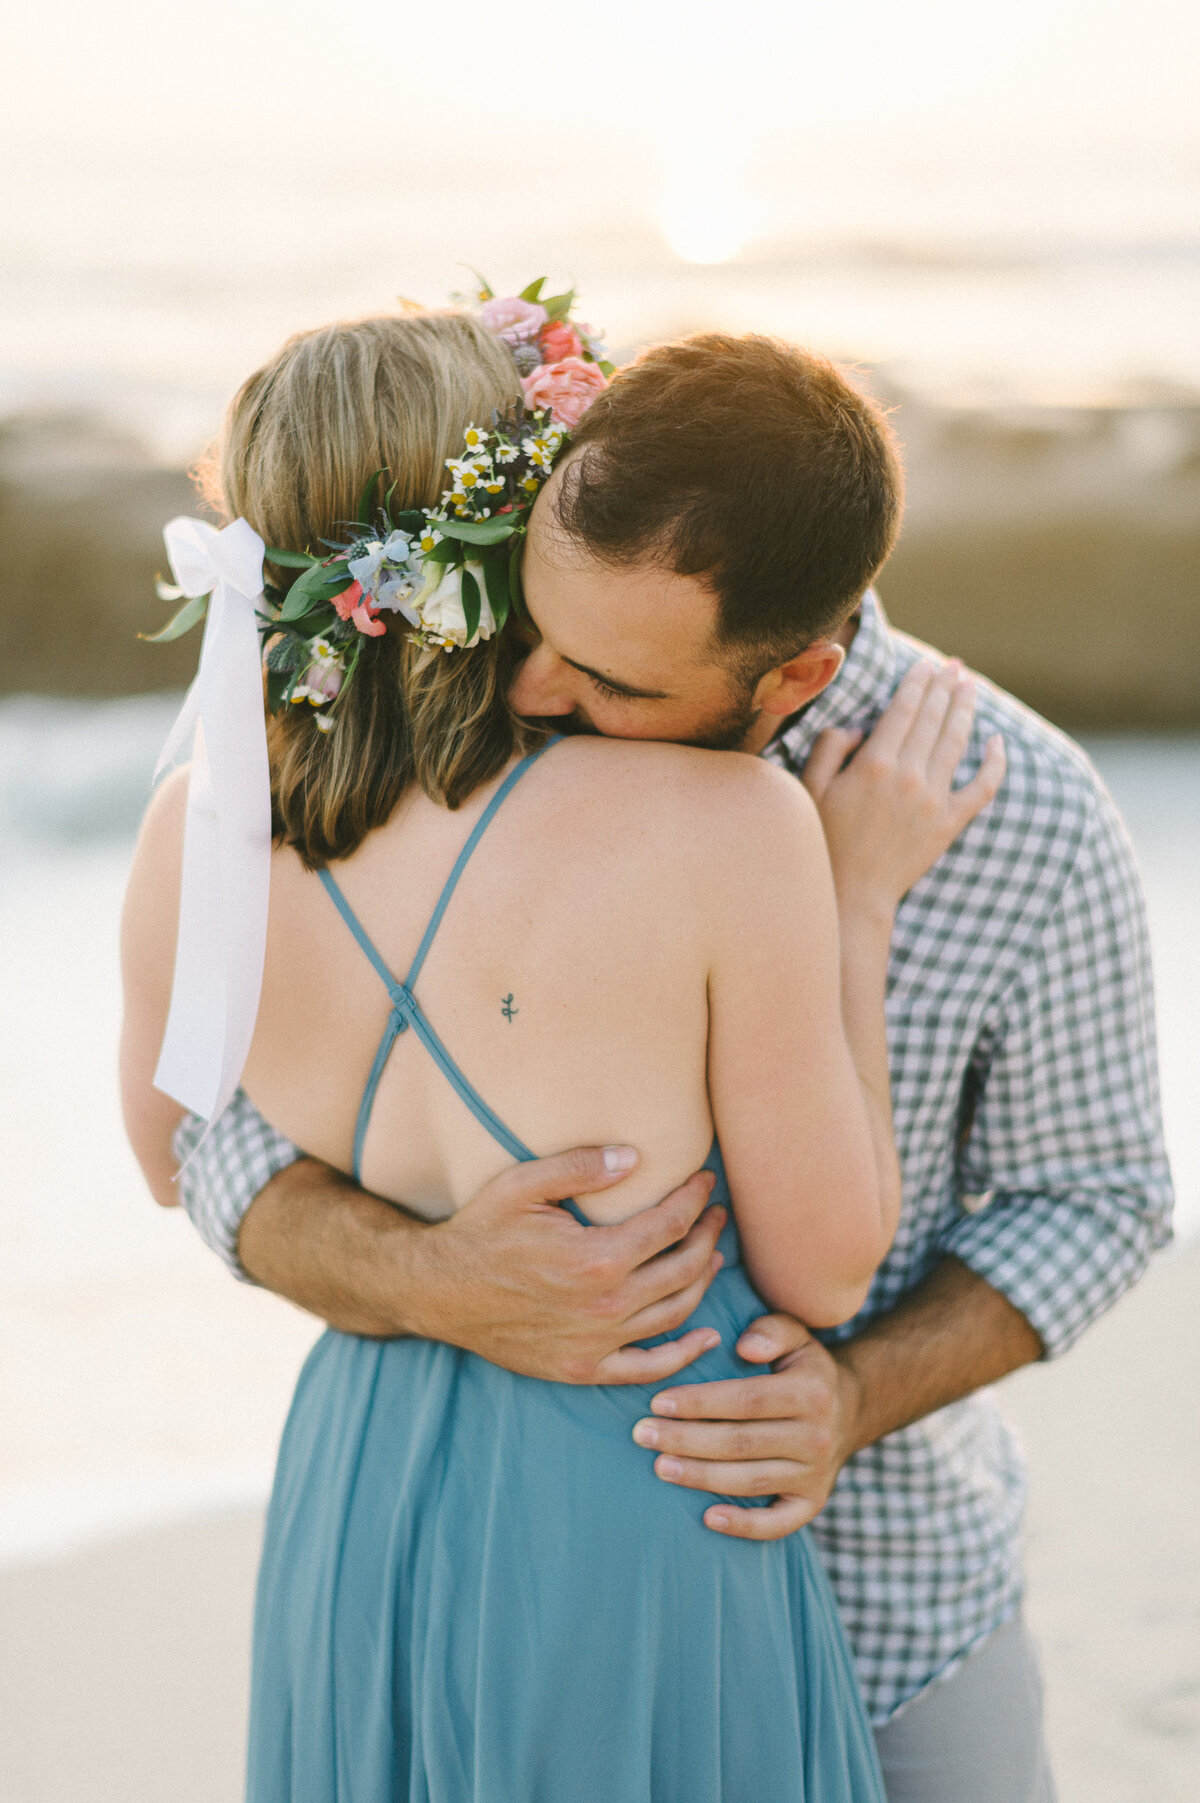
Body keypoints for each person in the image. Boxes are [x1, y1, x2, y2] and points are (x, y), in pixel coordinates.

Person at [165, 324, 1171, 1803]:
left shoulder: (1021, 819)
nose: (541, 700)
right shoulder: (438, 708)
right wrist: (419, 1273)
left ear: (793, 677)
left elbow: (1099, 1196)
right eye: (536, 634)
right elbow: (210, 1121)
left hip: (883, 1588)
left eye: (619, 686)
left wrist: (848, 1397)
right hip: (538, 1596)